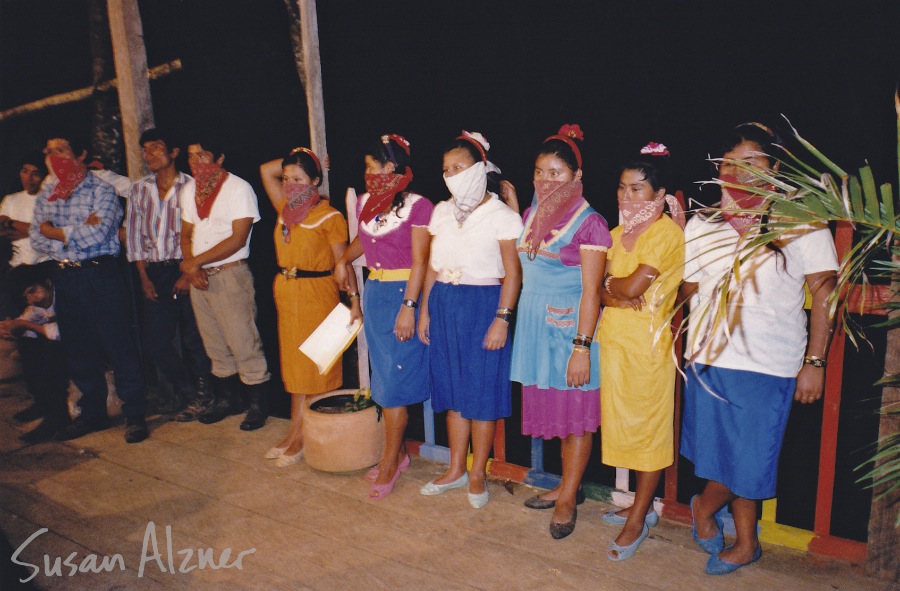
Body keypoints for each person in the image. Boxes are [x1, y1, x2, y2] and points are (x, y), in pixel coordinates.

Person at [679, 123, 838, 574]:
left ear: (774, 168)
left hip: (769, 364)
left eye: (753, 164)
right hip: (708, 359)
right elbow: (688, 290)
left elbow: (825, 293)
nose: (740, 173)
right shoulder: (703, 222)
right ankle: (747, 542)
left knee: (751, 458)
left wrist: (815, 361)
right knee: (722, 456)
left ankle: (704, 509)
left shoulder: (799, 220)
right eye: (730, 164)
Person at [507, 124, 610, 538]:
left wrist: (581, 348)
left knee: (577, 417)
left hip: (568, 332)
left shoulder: (591, 224)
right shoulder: (532, 215)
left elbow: (591, 292)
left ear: (577, 177)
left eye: (556, 172)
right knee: (558, 415)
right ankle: (568, 484)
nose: (546, 180)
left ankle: (567, 496)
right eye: (540, 171)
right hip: (536, 330)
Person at [417, 131, 522, 509]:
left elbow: (513, 273)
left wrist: (502, 319)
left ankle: (478, 472)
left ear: (480, 168)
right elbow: (432, 266)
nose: (451, 174)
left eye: (459, 167)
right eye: (446, 169)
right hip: (445, 302)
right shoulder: (441, 212)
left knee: (481, 392)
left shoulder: (501, 215)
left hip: (483, 304)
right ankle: (455, 467)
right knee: (452, 390)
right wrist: (425, 309)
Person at [29, 135, 148, 443]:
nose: (54, 156)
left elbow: (97, 236)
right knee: (79, 348)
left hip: (99, 275)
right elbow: (35, 239)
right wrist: (73, 230)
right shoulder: (48, 194)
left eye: (61, 149)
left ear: (79, 153)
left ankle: (134, 413)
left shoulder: (102, 190)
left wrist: (54, 230)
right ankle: (92, 414)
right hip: (65, 278)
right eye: (49, 151)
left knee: (118, 343)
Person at [598, 142, 685, 560]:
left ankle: (638, 517)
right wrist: (614, 289)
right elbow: (599, 289)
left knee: (648, 432)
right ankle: (639, 504)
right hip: (615, 344)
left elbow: (628, 288)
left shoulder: (665, 232)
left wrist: (613, 287)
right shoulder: (616, 235)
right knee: (625, 428)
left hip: (648, 350)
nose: (627, 197)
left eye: (637, 189)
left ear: (659, 194)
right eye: (621, 188)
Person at [334, 134, 433, 498]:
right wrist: (344, 258)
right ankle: (400, 453)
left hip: (403, 295)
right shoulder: (368, 203)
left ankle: (390, 461)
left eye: (371, 167)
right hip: (376, 293)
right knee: (385, 382)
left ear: (391, 167)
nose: (366, 173)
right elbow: (364, 237)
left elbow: (422, 260)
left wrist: (409, 308)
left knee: (393, 387)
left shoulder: (419, 206)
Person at [259, 146, 353, 467]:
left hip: (317, 292)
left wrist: (352, 302)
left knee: (313, 368)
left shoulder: (329, 216)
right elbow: (265, 169)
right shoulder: (285, 209)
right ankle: (292, 433)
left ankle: (301, 438)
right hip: (287, 291)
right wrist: (305, 151)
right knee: (295, 369)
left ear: (315, 181)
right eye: (286, 178)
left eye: (299, 178)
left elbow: (343, 263)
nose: (290, 184)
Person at [180, 138, 270, 432]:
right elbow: (186, 234)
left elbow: (238, 238)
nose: (196, 163)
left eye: (202, 156)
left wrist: (196, 263)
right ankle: (227, 399)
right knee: (214, 343)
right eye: (191, 157)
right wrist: (192, 267)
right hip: (200, 278)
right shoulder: (189, 190)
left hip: (230, 274)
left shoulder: (238, 188)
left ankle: (257, 403)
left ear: (218, 158)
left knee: (243, 341)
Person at [124, 128, 213, 417]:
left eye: (157, 148)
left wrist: (188, 273)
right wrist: (143, 277)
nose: (149, 154)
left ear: (174, 153)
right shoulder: (139, 189)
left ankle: (204, 397)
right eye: (146, 149)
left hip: (185, 266)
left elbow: (199, 233)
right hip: (154, 271)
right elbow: (135, 234)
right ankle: (185, 391)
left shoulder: (191, 186)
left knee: (194, 337)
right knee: (156, 342)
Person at [0, 262, 70, 442]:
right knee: (27, 341)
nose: (32, 299)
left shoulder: (65, 291)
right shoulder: (38, 303)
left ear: (46, 282)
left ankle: (58, 416)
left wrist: (23, 325)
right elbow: (24, 322)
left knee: (52, 351)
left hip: (90, 343)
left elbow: (58, 333)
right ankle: (42, 402)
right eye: (26, 297)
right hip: (68, 340)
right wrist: (12, 327)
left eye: (33, 291)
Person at [0, 152, 48, 269]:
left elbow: (49, 233)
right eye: (25, 171)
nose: (29, 178)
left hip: (43, 264)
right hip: (14, 266)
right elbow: (2, 231)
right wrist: (34, 231)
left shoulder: (51, 201)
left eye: (35, 174)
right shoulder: (10, 199)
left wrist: (11, 223)